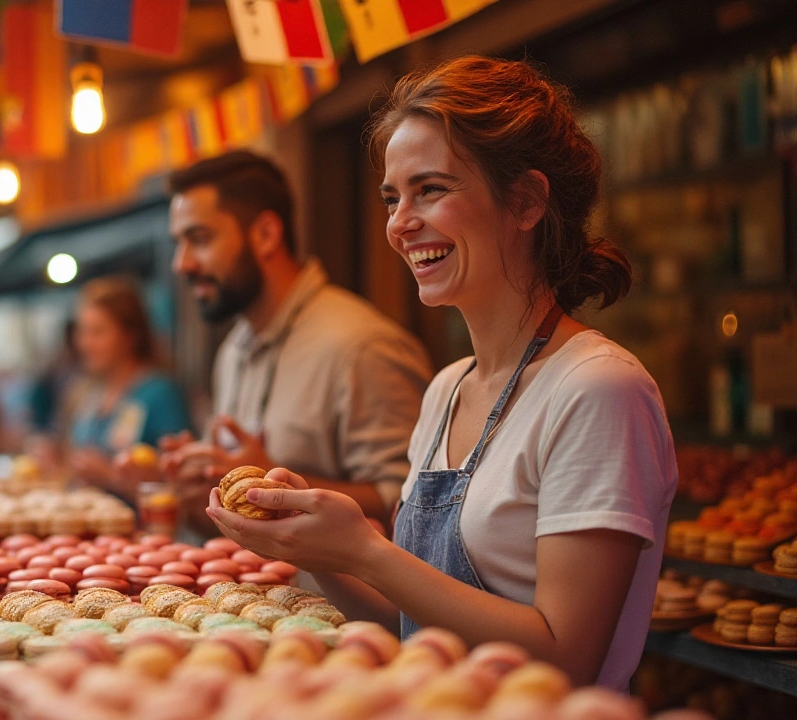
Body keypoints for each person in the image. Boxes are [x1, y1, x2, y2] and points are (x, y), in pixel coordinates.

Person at [205, 57, 678, 691]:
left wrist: (367, 551)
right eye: (392, 197)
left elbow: (566, 659)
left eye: (431, 189)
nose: (400, 223)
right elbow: (411, 621)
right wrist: (314, 552)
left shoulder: (598, 389)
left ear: (526, 201)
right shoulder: (447, 388)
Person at [160, 150, 433, 533]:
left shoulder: (360, 344)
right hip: (244, 587)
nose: (181, 263)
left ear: (266, 234)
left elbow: (412, 505)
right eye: (179, 243)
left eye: (199, 239)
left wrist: (272, 485)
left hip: (333, 595)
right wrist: (195, 484)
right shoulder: (234, 349)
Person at [67, 277, 192, 501]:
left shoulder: (159, 394)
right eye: (82, 332)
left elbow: (183, 485)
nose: (86, 343)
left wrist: (110, 477)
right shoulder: (90, 394)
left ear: (130, 335)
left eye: (98, 332)